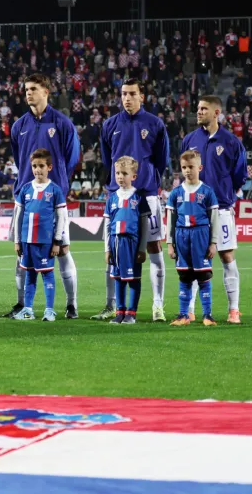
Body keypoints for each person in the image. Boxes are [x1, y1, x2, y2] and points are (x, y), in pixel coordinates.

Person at [8, 74, 81, 319]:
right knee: (21, 256)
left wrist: (58, 182)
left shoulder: (62, 123)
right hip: (25, 200)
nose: (28, 93)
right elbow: (20, 160)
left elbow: (71, 159)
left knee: (62, 252)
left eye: (34, 89)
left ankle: (71, 305)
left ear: (46, 92)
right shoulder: (19, 126)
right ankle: (22, 305)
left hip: (53, 200)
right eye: (26, 89)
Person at [98, 78, 170, 322]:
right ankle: (112, 306)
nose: (127, 98)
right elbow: (108, 162)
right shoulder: (109, 125)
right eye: (123, 94)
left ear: (142, 96)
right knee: (114, 250)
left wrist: (147, 179)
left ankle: (157, 305)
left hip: (147, 195)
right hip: (118, 196)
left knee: (153, 248)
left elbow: (162, 160)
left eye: (132, 94)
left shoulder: (155, 124)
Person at [181, 96, 247, 323]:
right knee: (193, 260)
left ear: (216, 112)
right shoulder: (189, 139)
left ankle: (234, 310)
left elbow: (239, 175)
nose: (198, 112)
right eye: (198, 108)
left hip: (221, 208)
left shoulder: (231, 142)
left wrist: (225, 193)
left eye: (203, 109)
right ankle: (189, 311)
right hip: (194, 209)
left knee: (227, 256)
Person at [11, 149, 68, 321]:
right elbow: (18, 217)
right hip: (27, 241)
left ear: (49, 167)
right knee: (30, 275)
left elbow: (61, 217)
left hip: (45, 241)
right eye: (34, 166)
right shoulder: (26, 189)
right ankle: (28, 309)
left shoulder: (55, 190)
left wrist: (57, 241)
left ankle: (49, 310)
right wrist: (17, 241)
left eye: (41, 166)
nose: (37, 170)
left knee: (47, 274)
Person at [166, 151, 220, 326]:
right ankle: (184, 315)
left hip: (201, 236)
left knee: (203, 276)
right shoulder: (175, 193)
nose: (187, 171)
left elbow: (214, 219)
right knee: (185, 277)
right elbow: (171, 221)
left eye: (191, 167)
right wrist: (169, 244)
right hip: (182, 237)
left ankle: (208, 315)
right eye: (184, 167)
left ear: (200, 168)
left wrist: (213, 243)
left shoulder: (207, 192)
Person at [103, 156, 151, 324]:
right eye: (117, 173)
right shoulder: (112, 199)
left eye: (124, 173)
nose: (120, 176)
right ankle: (120, 311)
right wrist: (107, 249)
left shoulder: (139, 197)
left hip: (132, 243)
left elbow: (144, 224)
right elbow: (107, 226)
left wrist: (142, 248)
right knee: (118, 278)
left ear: (134, 177)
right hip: (116, 243)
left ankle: (132, 312)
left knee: (133, 279)